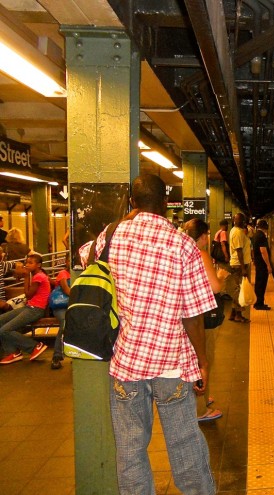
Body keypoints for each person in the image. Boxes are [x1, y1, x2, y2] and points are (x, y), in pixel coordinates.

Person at [94, 174, 216, 495]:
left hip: (127, 363)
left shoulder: (111, 235)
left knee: (131, 451)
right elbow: (193, 315)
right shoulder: (183, 244)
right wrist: (202, 361)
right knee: (185, 444)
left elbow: (84, 257)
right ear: (165, 204)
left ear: (132, 203)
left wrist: (124, 221)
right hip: (171, 364)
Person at [183, 218, 224, 422]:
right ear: (201, 237)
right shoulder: (201, 254)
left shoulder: (180, 251)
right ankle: (200, 409)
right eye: (207, 234)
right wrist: (222, 277)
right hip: (203, 317)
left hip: (186, 317)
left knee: (194, 359)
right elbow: (215, 287)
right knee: (204, 361)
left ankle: (204, 397)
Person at [0, 253, 49, 364]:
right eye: (26, 262)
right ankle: (13, 352)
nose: (27, 265)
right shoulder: (37, 275)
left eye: (30, 263)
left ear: (39, 265)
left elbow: (28, 295)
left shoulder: (39, 277)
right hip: (29, 307)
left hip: (35, 310)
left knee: (4, 330)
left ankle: (35, 346)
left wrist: (26, 277)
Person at [228, 212, 251, 323]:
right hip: (238, 264)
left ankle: (233, 314)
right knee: (240, 289)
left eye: (242, 220)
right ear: (235, 220)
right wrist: (243, 268)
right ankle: (238, 314)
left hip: (237, 264)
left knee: (238, 288)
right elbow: (239, 250)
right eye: (239, 220)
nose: (242, 222)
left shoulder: (236, 231)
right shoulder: (237, 232)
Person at [49, 259, 71, 370]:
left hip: (72, 306)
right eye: (68, 260)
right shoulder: (63, 273)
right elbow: (67, 290)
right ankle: (56, 356)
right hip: (61, 306)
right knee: (64, 324)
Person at [253, 219, 272, 310]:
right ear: (265, 227)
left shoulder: (256, 235)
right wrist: (268, 265)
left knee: (259, 283)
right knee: (261, 283)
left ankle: (258, 302)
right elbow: (263, 251)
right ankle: (259, 304)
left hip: (258, 262)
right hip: (262, 264)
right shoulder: (261, 236)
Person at [0, 246, 24, 313]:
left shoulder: (1, 265)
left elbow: (18, 264)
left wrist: (18, 269)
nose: (2, 256)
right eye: (1, 254)